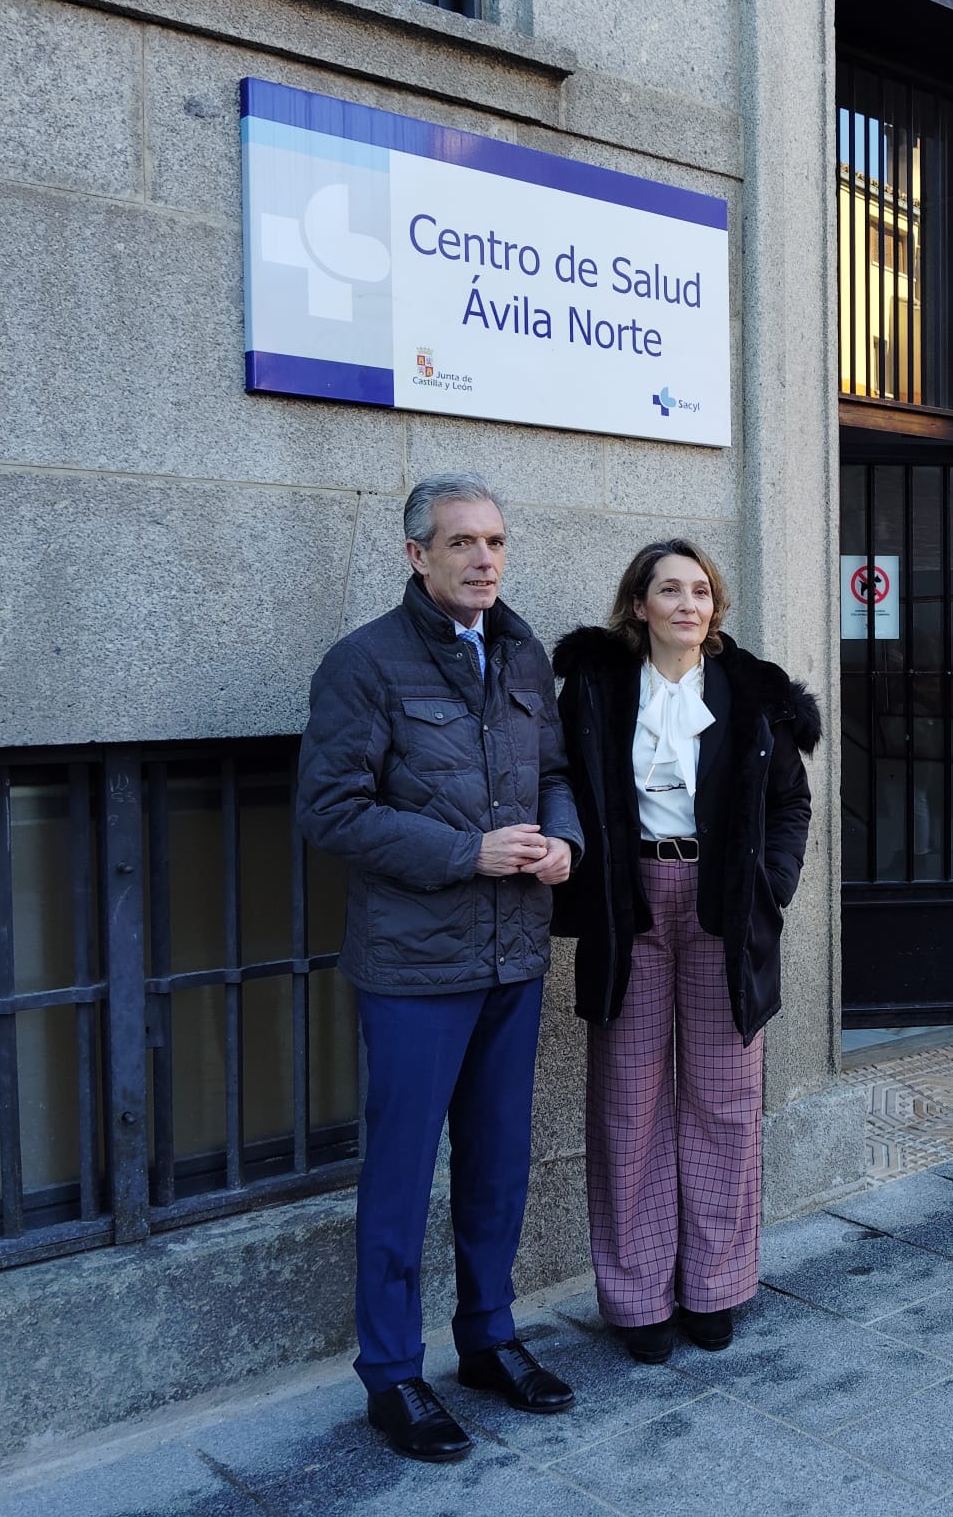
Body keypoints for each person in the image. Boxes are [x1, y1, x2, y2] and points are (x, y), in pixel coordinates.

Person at [297, 472, 583, 1463]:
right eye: (461, 542)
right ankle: (392, 1375)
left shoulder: (520, 650)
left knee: (499, 1166)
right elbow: (330, 812)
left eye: (496, 541)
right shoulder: (365, 664)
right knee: (403, 1175)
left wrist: (565, 846)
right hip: (416, 971)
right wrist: (465, 852)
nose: (484, 559)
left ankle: (489, 1340)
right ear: (416, 554)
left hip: (514, 956)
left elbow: (552, 775)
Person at [552, 539, 817, 1363]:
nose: (688, 605)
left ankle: (716, 1285)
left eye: (701, 591)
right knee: (629, 1103)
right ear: (639, 606)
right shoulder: (595, 690)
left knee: (725, 1102)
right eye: (669, 590)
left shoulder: (752, 693)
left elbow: (791, 807)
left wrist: (770, 885)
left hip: (722, 908)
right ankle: (635, 1298)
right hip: (630, 903)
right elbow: (558, 779)